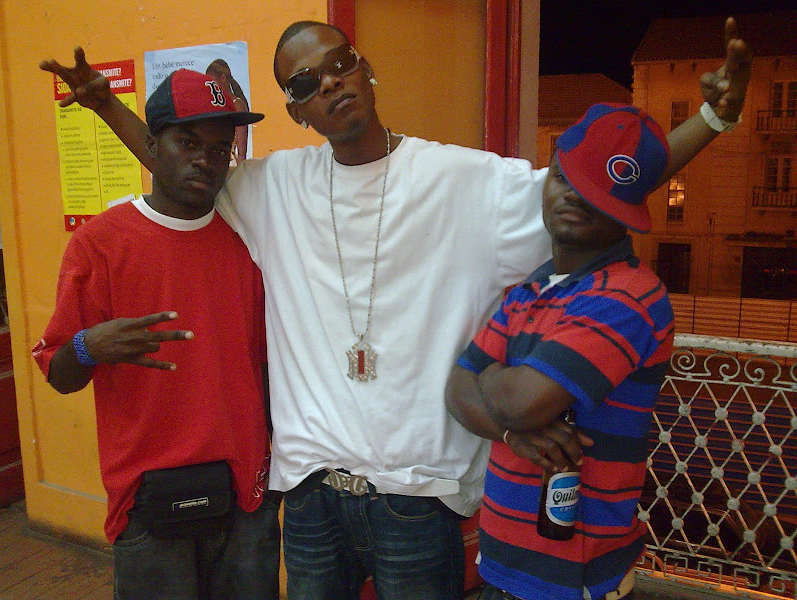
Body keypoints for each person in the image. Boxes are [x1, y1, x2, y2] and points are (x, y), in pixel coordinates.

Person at [39, 17, 750, 600]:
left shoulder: (465, 182)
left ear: (364, 68)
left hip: (417, 499)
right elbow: (183, 166)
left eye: (338, 63)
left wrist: (711, 119)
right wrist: (106, 105)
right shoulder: (271, 187)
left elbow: (599, 182)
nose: (330, 84)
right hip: (310, 495)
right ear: (297, 111)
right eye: (305, 84)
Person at [31, 69, 280, 600]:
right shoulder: (100, 244)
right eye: (188, 142)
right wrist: (88, 347)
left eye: (219, 149)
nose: (205, 160)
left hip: (246, 494)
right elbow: (59, 373)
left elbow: (264, 366)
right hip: (149, 501)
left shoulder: (248, 239)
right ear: (151, 146)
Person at [446, 103, 680, 600]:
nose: (573, 194)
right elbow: (456, 392)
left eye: (595, 187)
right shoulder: (529, 288)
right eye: (563, 176)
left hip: (574, 581)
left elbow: (521, 401)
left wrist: (492, 378)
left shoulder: (628, 296)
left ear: (626, 207)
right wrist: (511, 432)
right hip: (499, 567)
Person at [206, 59, 251, 163]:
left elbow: (241, 151)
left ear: (223, 78)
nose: (211, 87)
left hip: (229, 162)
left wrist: (240, 169)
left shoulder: (238, 105)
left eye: (213, 82)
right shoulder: (214, 105)